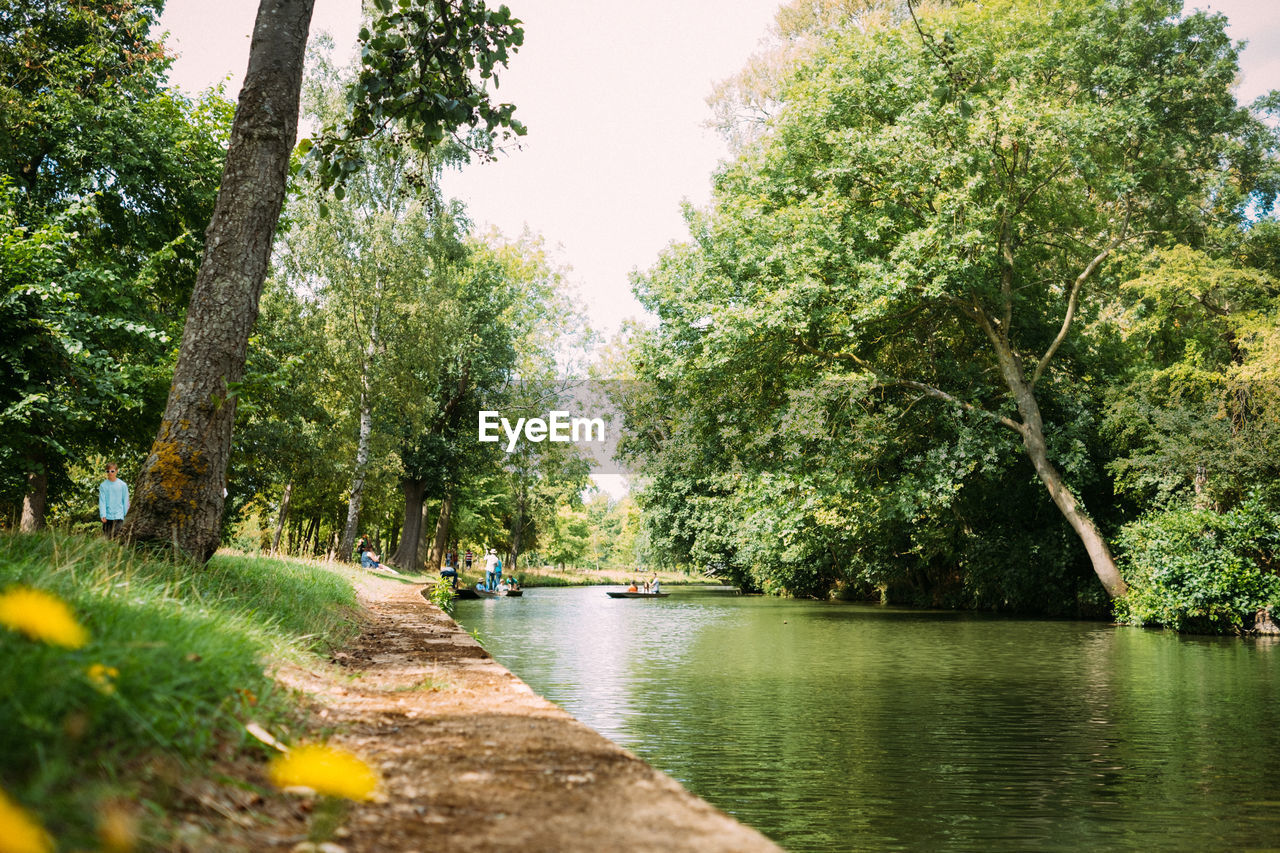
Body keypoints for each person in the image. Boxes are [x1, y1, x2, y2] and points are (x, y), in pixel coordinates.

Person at [99, 463, 129, 538]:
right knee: (108, 538)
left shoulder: (123, 485)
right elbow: (102, 501)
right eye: (107, 471)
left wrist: (126, 515)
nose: (110, 473)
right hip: (107, 517)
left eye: (112, 471)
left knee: (117, 537)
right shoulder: (103, 485)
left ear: (116, 471)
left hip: (119, 516)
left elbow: (125, 500)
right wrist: (103, 514)